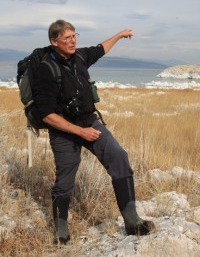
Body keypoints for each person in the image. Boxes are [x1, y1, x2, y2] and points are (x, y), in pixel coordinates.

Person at [33, 19, 155, 245]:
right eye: (67, 38)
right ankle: (61, 231)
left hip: (90, 122)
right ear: (54, 41)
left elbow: (101, 48)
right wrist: (80, 132)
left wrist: (119, 35)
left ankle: (132, 221)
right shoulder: (45, 70)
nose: (72, 41)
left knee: (119, 158)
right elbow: (47, 115)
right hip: (64, 130)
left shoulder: (79, 56)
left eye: (74, 36)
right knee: (65, 181)